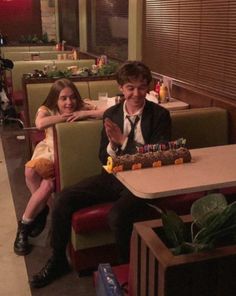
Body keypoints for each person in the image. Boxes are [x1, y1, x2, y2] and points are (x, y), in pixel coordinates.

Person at [30, 61, 171, 288]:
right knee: (63, 198)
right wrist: (114, 146)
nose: (136, 94)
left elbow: (159, 155)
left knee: (117, 216)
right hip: (112, 176)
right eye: (130, 88)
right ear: (121, 88)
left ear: (148, 88)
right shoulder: (112, 113)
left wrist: (123, 141)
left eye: (141, 88)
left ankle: (129, 274)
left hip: (145, 181)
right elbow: (101, 157)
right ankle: (58, 260)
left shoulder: (160, 115)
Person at [14, 78, 105, 256]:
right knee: (30, 171)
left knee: (46, 185)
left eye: (72, 97)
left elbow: (108, 111)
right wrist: (63, 117)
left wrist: (83, 114)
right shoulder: (46, 109)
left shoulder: (82, 106)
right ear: (55, 99)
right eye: (63, 98)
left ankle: (25, 226)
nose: (69, 102)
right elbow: (40, 123)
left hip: (69, 153)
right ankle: (41, 210)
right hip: (48, 150)